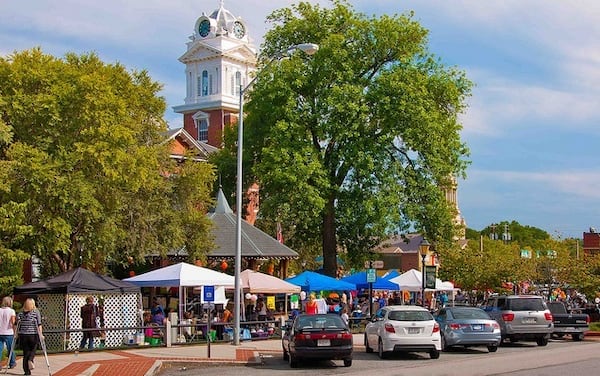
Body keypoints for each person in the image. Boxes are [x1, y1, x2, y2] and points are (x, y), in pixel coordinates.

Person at [17, 298, 43, 376]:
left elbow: (17, 323)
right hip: (33, 335)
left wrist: (16, 334)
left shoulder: (20, 313)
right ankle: (31, 359)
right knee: (34, 348)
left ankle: (26, 372)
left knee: (26, 353)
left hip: (23, 335)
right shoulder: (35, 312)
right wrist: (41, 334)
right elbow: (39, 324)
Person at [0, 296, 17, 370]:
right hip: (8, 332)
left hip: (0, 331)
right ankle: (12, 363)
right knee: (10, 348)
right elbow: (13, 322)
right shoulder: (11, 311)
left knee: (0, 349)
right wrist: (15, 331)